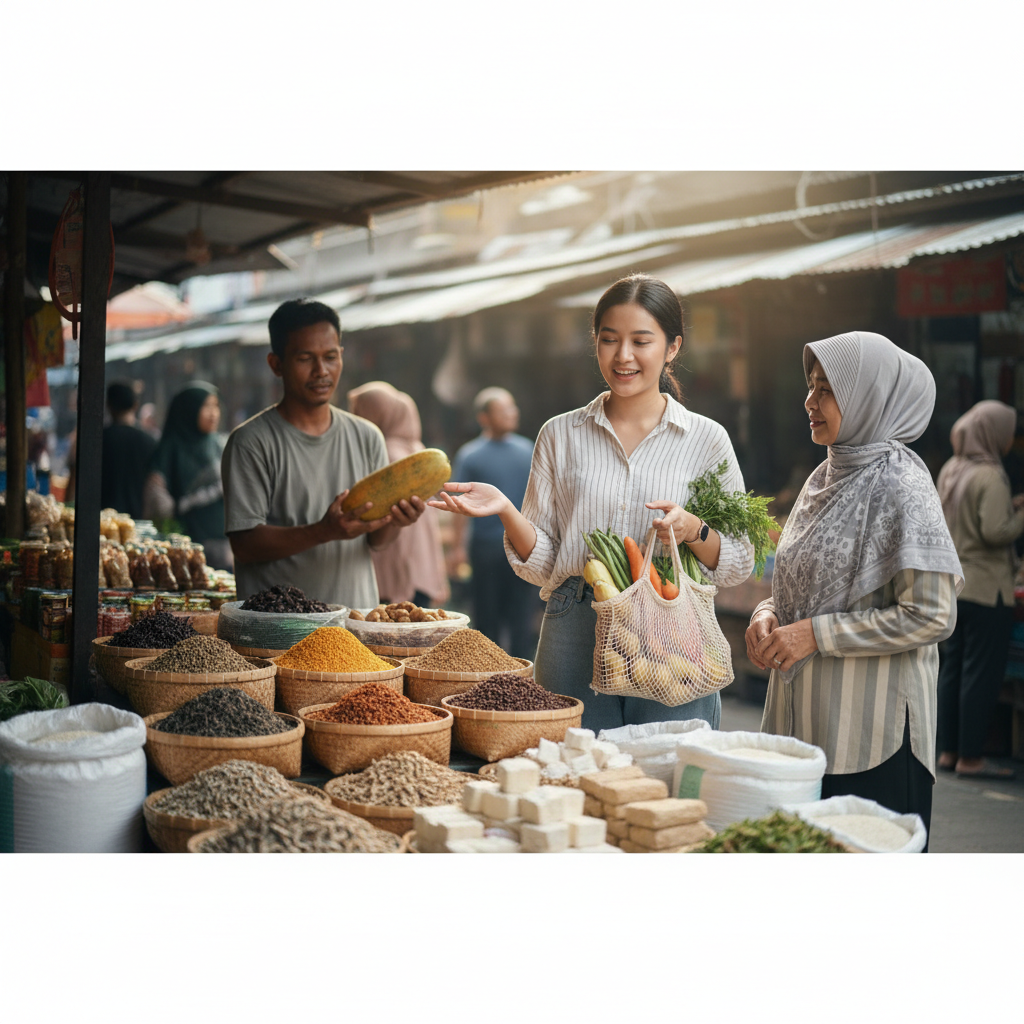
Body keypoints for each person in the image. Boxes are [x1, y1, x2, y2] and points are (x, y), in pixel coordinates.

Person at [430, 274, 754, 732]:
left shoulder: (706, 439)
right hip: (573, 623)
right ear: (595, 343)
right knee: (575, 771)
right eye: (609, 340)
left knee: (668, 773)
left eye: (641, 341)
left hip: (669, 625)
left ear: (672, 347)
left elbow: (739, 560)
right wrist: (506, 509)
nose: (623, 356)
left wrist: (693, 530)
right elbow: (543, 564)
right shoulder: (560, 434)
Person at [745, 332, 964, 844]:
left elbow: (933, 615)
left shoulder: (903, 487)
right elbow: (802, 585)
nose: (809, 402)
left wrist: (816, 635)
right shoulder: (824, 477)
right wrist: (767, 614)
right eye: (811, 387)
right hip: (804, 732)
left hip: (872, 738)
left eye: (827, 390)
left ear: (869, 397)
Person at [221, 299, 426, 608]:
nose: (321, 371)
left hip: (353, 628)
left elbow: (376, 541)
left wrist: (397, 521)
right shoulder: (250, 442)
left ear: (341, 357)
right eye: (305, 358)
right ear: (276, 364)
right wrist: (323, 531)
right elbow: (245, 545)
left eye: (330, 357)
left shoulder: (368, 436)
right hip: (277, 633)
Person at [935, 400, 1024, 780]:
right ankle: (971, 757)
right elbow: (995, 531)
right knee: (981, 674)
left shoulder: (951, 470)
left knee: (952, 670)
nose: (1010, 440)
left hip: (955, 588)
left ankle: (948, 751)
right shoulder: (991, 475)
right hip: (988, 589)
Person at [449, 387, 537, 658]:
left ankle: (523, 672)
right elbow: (459, 505)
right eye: (503, 410)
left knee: (523, 614)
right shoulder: (470, 455)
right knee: (487, 612)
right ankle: (489, 670)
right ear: (483, 418)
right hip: (485, 547)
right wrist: (457, 548)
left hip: (523, 544)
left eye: (512, 408)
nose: (512, 413)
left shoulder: (527, 449)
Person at [347, 380, 449, 608]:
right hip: (422, 569)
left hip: (399, 572)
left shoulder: (387, 454)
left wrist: (400, 581)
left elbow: (399, 525)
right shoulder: (418, 450)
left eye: (360, 411)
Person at [144, 381, 232, 569]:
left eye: (216, 406)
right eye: (206, 406)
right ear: (189, 410)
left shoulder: (219, 444)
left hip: (225, 544)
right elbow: (155, 496)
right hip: (185, 549)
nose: (214, 413)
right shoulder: (170, 448)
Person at [101, 380, 157, 518]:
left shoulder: (97, 440)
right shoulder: (149, 441)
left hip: (101, 519)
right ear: (135, 405)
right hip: (136, 520)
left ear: (108, 405)